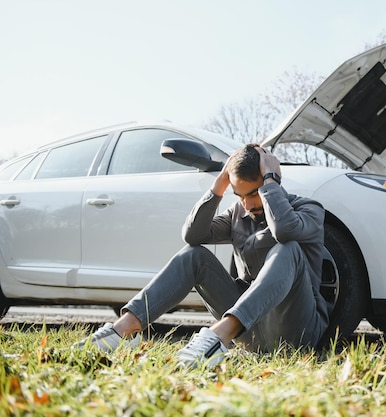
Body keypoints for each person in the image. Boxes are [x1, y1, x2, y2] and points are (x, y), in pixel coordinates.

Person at [76, 143, 330, 369]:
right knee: (194, 255)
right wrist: (218, 187)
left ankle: (217, 338)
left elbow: (284, 229)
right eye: (240, 196)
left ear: (270, 182)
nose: (248, 204)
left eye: (254, 193)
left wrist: (271, 182)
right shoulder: (237, 215)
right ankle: (121, 331)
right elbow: (193, 235)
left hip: (296, 331)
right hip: (251, 332)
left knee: (288, 248)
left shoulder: (308, 210)